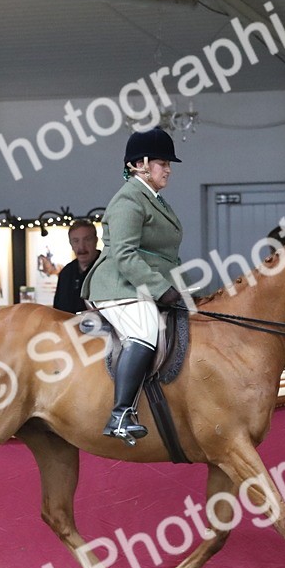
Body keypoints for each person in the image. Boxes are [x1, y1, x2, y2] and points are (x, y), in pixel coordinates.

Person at [82, 127, 189, 443]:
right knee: (144, 331)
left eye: (168, 164)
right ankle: (120, 415)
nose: (168, 170)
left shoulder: (155, 200)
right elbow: (125, 255)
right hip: (119, 286)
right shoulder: (128, 200)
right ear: (140, 164)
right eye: (162, 163)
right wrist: (160, 289)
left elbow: (163, 256)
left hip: (144, 285)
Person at [52, 218, 101, 314]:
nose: (81, 247)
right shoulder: (65, 273)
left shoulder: (108, 269)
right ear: (70, 244)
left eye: (87, 240)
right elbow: (58, 311)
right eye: (76, 241)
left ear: (96, 240)